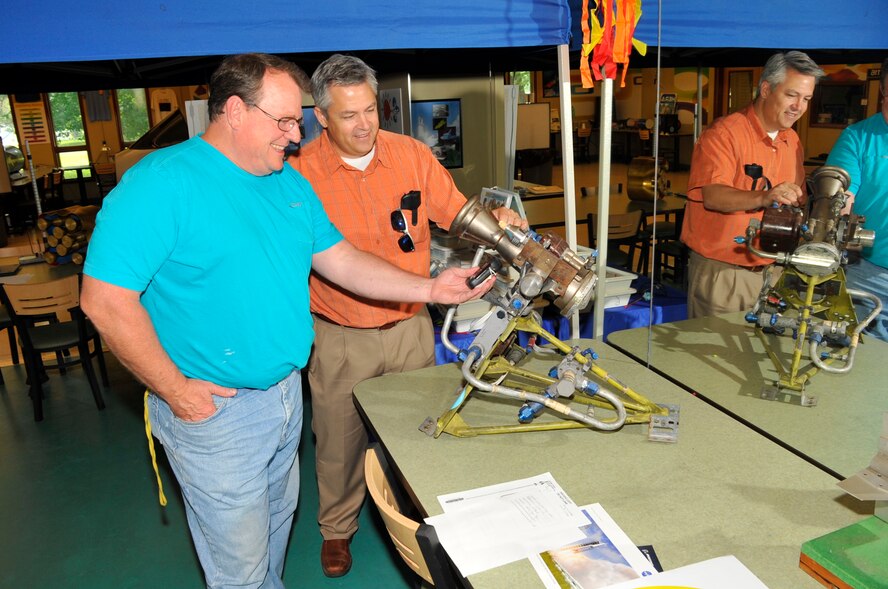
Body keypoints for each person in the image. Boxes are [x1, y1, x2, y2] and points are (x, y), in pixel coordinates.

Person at [79, 53, 492, 589]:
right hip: (217, 415)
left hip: (283, 398)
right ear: (234, 110)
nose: (296, 134)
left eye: (298, 120)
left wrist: (430, 288)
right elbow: (104, 301)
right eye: (284, 121)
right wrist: (177, 391)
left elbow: (340, 260)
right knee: (241, 572)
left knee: (272, 542)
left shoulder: (284, 184)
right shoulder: (162, 183)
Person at [288, 53, 524, 577]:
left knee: (421, 430)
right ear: (322, 117)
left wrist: (497, 221)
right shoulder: (297, 175)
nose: (364, 124)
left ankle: (425, 517)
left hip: (411, 329)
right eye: (348, 115)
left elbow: (455, 212)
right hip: (340, 334)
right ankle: (338, 530)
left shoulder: (411, 155)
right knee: (339, 441)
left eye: (370, 110)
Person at [680, 51, 824, 319]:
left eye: (806, 99)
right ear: (766, 89)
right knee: (712, 354)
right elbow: (713, 196)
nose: (799, 107)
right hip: (725, 275)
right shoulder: (724, 134)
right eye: (791, 95)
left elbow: (797, 200)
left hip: (774, 272)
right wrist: (764, 196)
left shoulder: (791, 140)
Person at [825, 57, 888, 341]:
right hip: (869, 274)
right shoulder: (858, 136)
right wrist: (836, 209)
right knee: (857, 356)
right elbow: (841, 194)